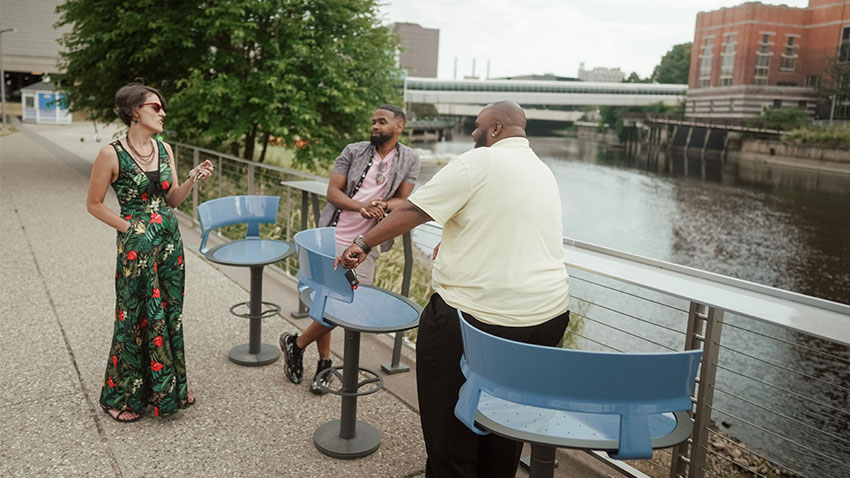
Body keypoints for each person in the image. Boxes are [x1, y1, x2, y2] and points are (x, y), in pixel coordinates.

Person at [337, 101, 571, 477]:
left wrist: (362, 244)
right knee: (504, 419)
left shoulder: (478, 161)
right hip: (547, 320)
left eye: (478, 126)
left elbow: (413, 211)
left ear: (495, 129)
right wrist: (456, 242)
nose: (474, 133)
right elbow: (509, 227)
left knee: (451, 425)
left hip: (480, 322)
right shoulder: (542, 171)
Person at [86, 83, 215, 422]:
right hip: (136, 248)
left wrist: (192, 178)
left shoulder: (164, 148)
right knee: (133, 316)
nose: (163, 113)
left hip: (169, 243)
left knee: (170, 314)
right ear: (134, 111)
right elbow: (94, 204)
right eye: (155, 107)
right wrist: (129, 228)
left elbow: (171, 200)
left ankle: (170, 388)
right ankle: (120, 397)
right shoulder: (111, 154)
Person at [280, 104, 420, 394]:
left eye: (382, 121)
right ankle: (324, 363)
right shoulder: (353, 151)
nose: (375, 126)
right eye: (373, 121)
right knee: (329, 301)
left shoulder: (410, 158)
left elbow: (404, 201)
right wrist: (361, 207)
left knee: (349, 302)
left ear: (399, 126)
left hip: (366, 244)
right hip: (333, 235)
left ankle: (297, 343)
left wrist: (383, 205)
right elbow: (333, 192)